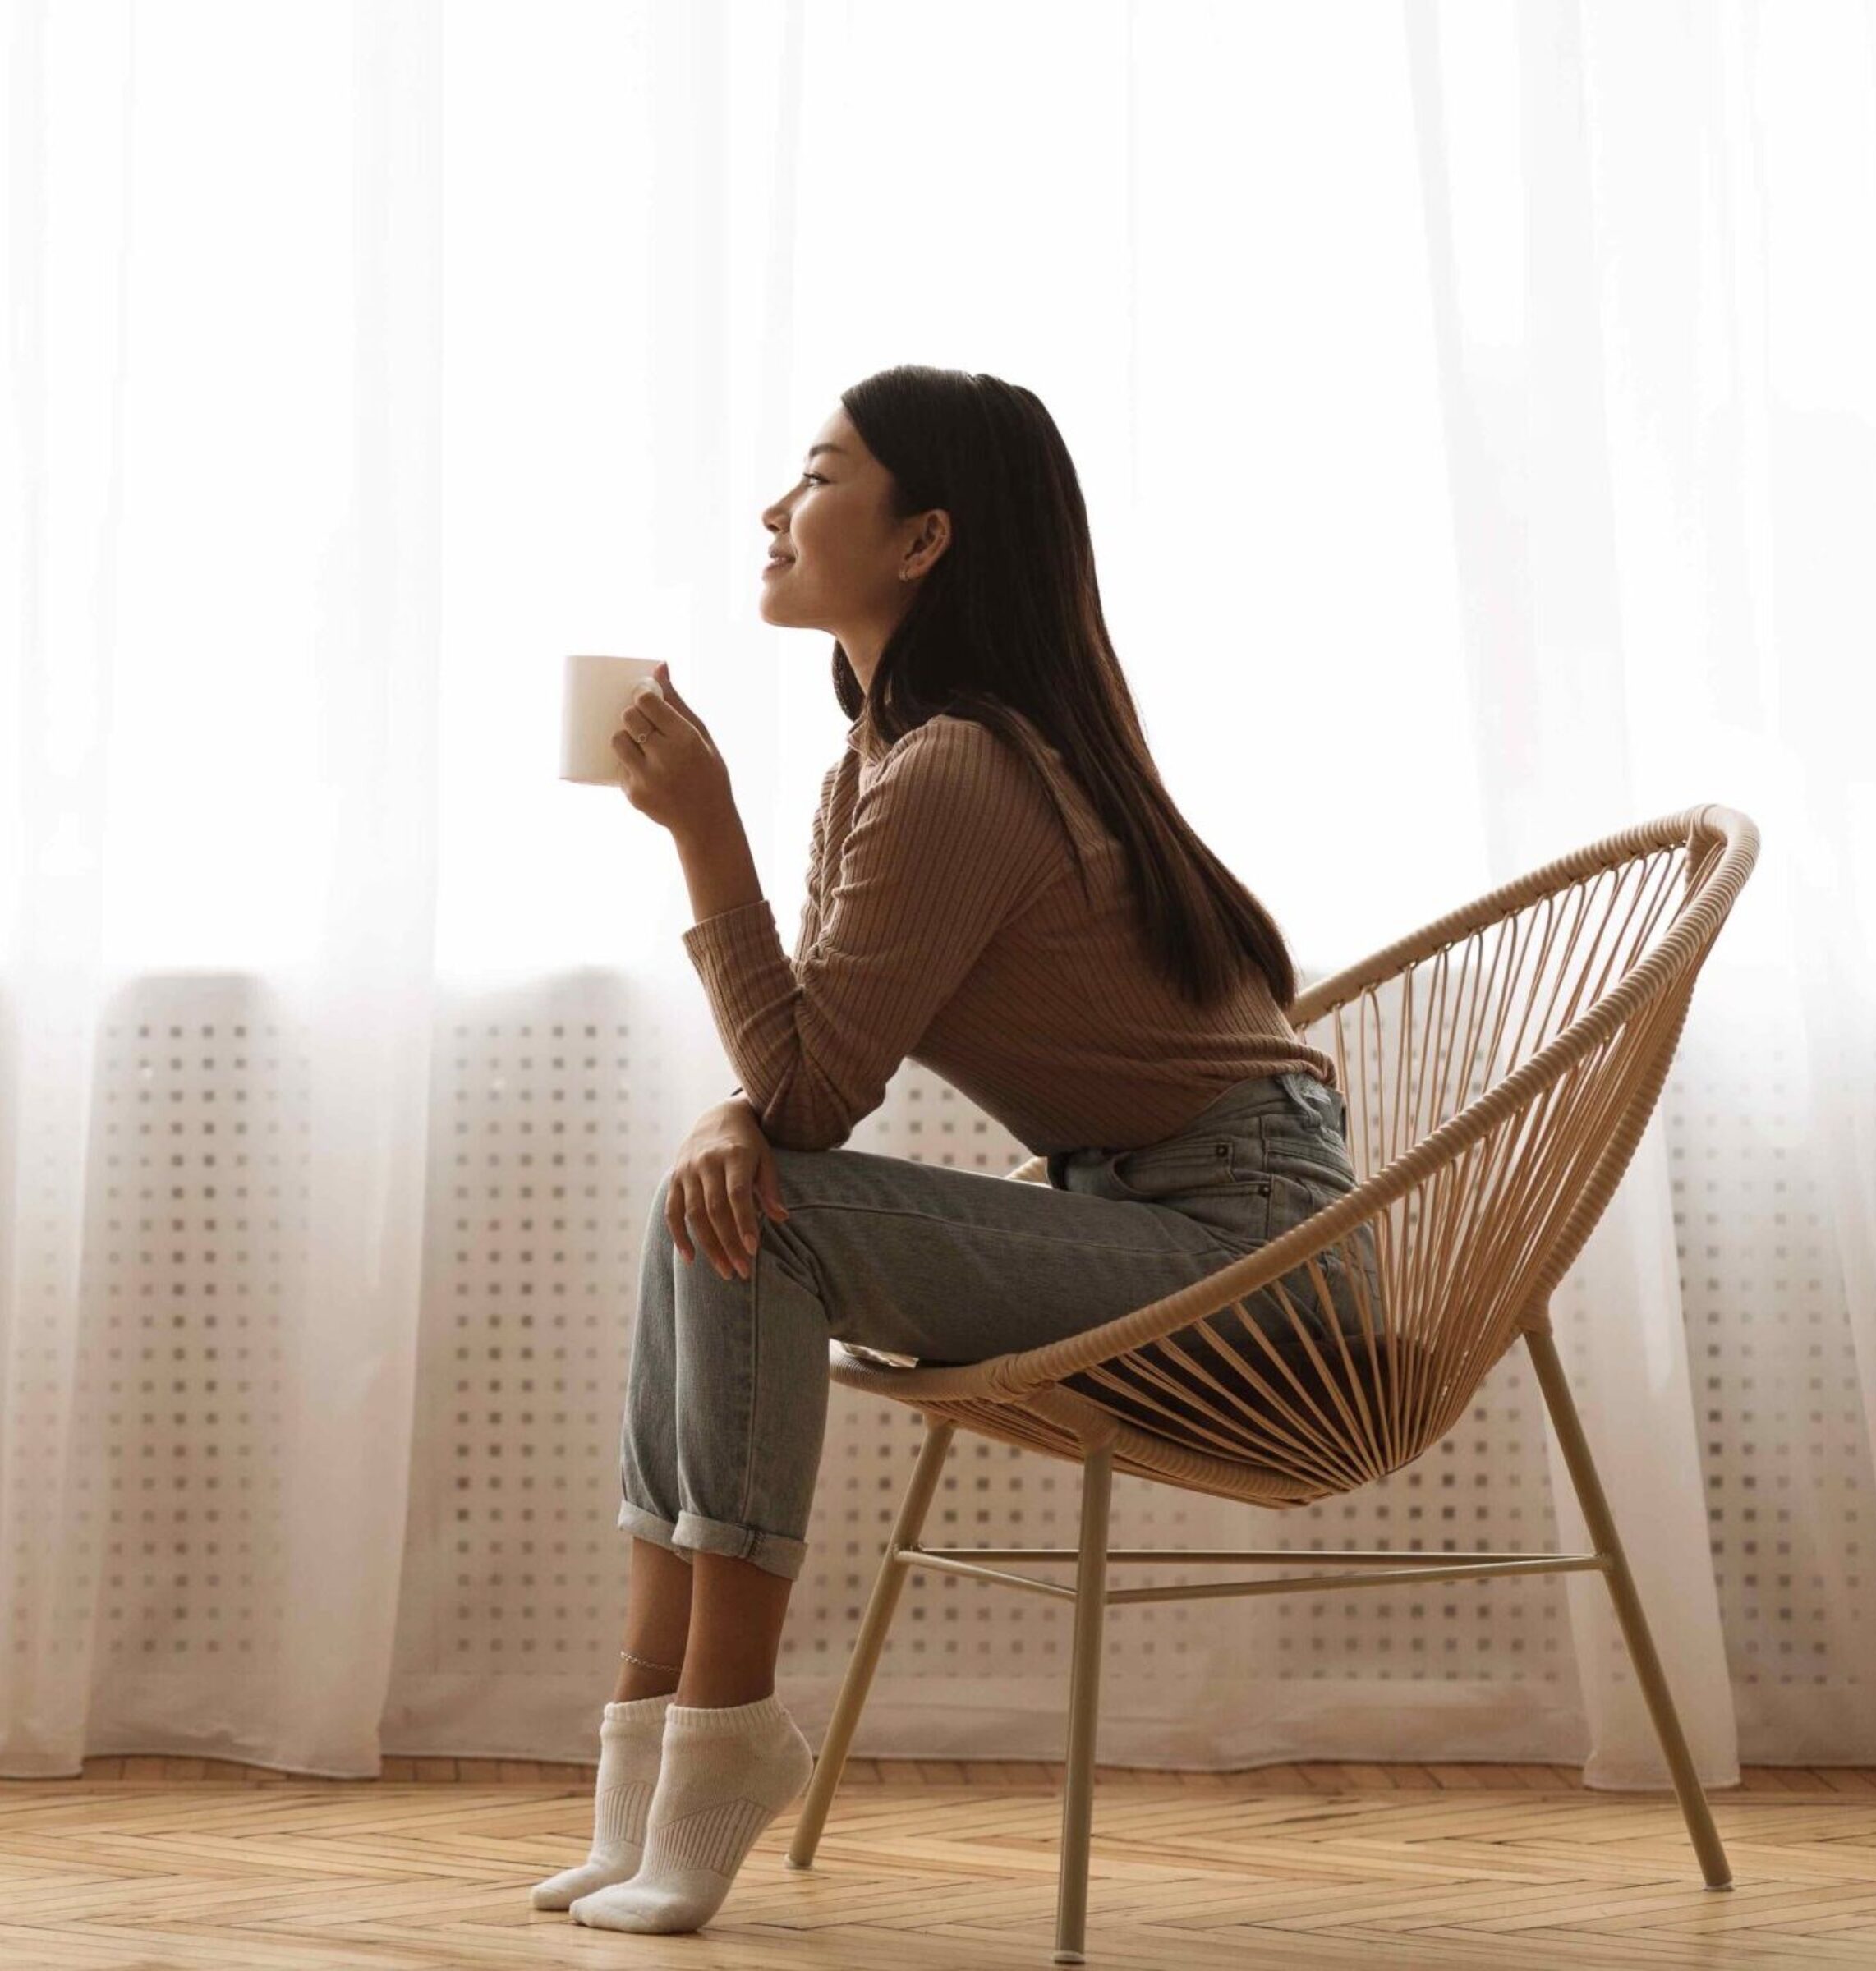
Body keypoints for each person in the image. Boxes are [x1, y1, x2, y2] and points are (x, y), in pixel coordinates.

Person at [531, 365, 1380, 1935]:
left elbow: (809, 1100)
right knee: (714, 1202)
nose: (775, 512)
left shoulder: (959, 774)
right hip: (1158, 1211)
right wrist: (731, 1116)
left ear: (923, 540)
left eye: (818, 477)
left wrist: (701, 832)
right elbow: (788, 1084)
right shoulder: (888, 764)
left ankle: (716, 1748)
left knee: (755, 1209)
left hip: (1259, 1262)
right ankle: (655, 1761)